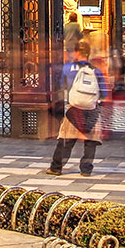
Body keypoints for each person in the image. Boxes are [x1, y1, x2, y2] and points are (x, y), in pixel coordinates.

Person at [46, 40, 106, 176]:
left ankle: (56, 167)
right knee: (91, 141)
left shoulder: (67, 68)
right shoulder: (96, 71)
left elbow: (62, 86)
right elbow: (104, 93)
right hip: (92, 110)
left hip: (74, 109)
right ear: (89, 53)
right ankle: (86, 169)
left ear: (77, 52)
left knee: (66, 140)